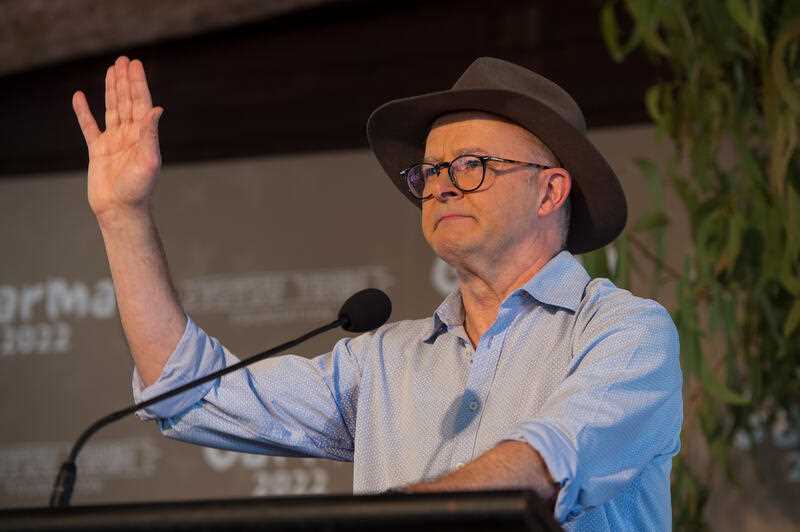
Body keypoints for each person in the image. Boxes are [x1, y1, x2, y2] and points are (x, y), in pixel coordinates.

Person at [72, 56, 682, 531]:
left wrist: (391, 522)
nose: (441, 188)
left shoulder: (623, 332)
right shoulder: (386, 360)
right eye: (431, 172)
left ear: (550, 192)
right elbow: (189, 392)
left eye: (471, 166)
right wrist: (123, 215)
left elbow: (542, 463)